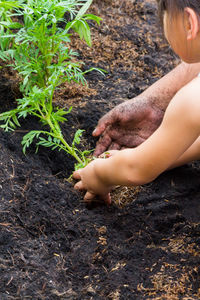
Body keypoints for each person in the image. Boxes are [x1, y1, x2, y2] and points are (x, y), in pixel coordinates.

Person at [73, 0, 200, 204]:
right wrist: (159, 155)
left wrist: (98, 175)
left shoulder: (193, 99)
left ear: (189, 23)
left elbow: (136, 169)